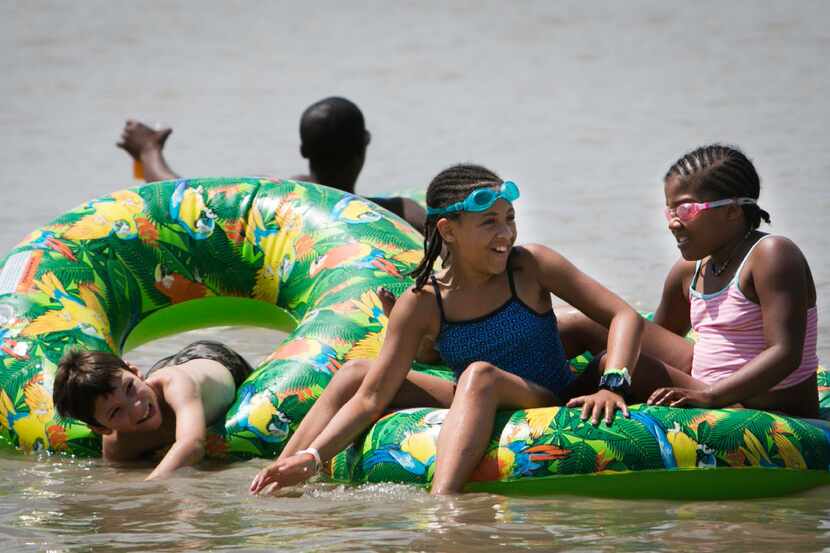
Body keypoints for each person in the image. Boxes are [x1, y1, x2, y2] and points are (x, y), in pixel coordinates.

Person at [249, 163, 644, 496]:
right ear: (448, 231)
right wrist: (316, 456)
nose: (505, 234)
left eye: (509, 219)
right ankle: (280, 475)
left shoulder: (529, 267)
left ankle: (444, 504)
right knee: (357, 374)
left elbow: (623, 315)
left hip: (543, 393)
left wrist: (612, 385)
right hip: (470, 396)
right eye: (489, 223)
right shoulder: (422, 302)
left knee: (479, 375)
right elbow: (372, 399)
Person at [557, 144, 819, 417]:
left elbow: (785, 353)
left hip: (754, 406)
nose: (672, 223)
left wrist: (709, 395)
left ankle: (550, 406)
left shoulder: (772, 255)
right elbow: (646, 340)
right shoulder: (690, 270)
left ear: (731, 211)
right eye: (670, 211)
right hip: (702, 379)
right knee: (581, 322)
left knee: (608, 365)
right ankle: (517, 382)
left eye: (685, 210)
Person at [116, 97, 426, 233]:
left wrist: (148, 152)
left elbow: (184, 199)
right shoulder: (401, 214)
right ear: (365, 144)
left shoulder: (272, 199)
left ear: (304, 150)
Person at [52, 340, 253, 479]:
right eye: (116, 412)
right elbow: (117, 478)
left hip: (215, 361)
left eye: (130, 387)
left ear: (134, 371)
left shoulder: (177, 384)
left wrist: (150, 486)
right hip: (167, 371)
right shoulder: (118, 445)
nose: (137, 407)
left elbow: (192, 444)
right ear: (101, 428)